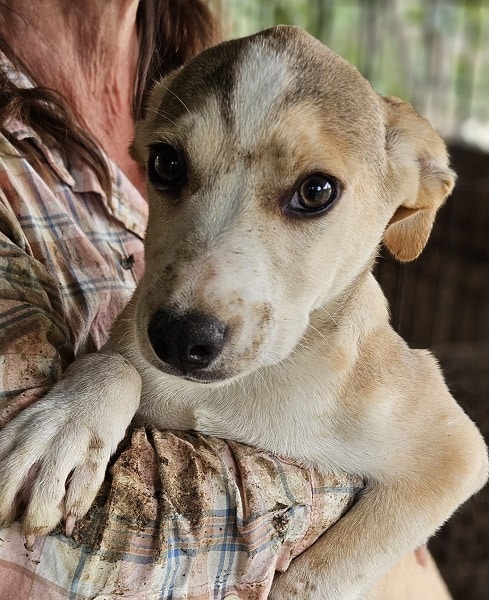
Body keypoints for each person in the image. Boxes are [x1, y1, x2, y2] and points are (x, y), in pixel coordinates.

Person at [0, 1, 451, 599]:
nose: (196, 297)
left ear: (408, 189)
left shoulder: (198, 67)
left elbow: (452, 459)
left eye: (313, 192)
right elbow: (41, 546)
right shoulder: (185, 95)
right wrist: (105, 378)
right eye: (170, 166)